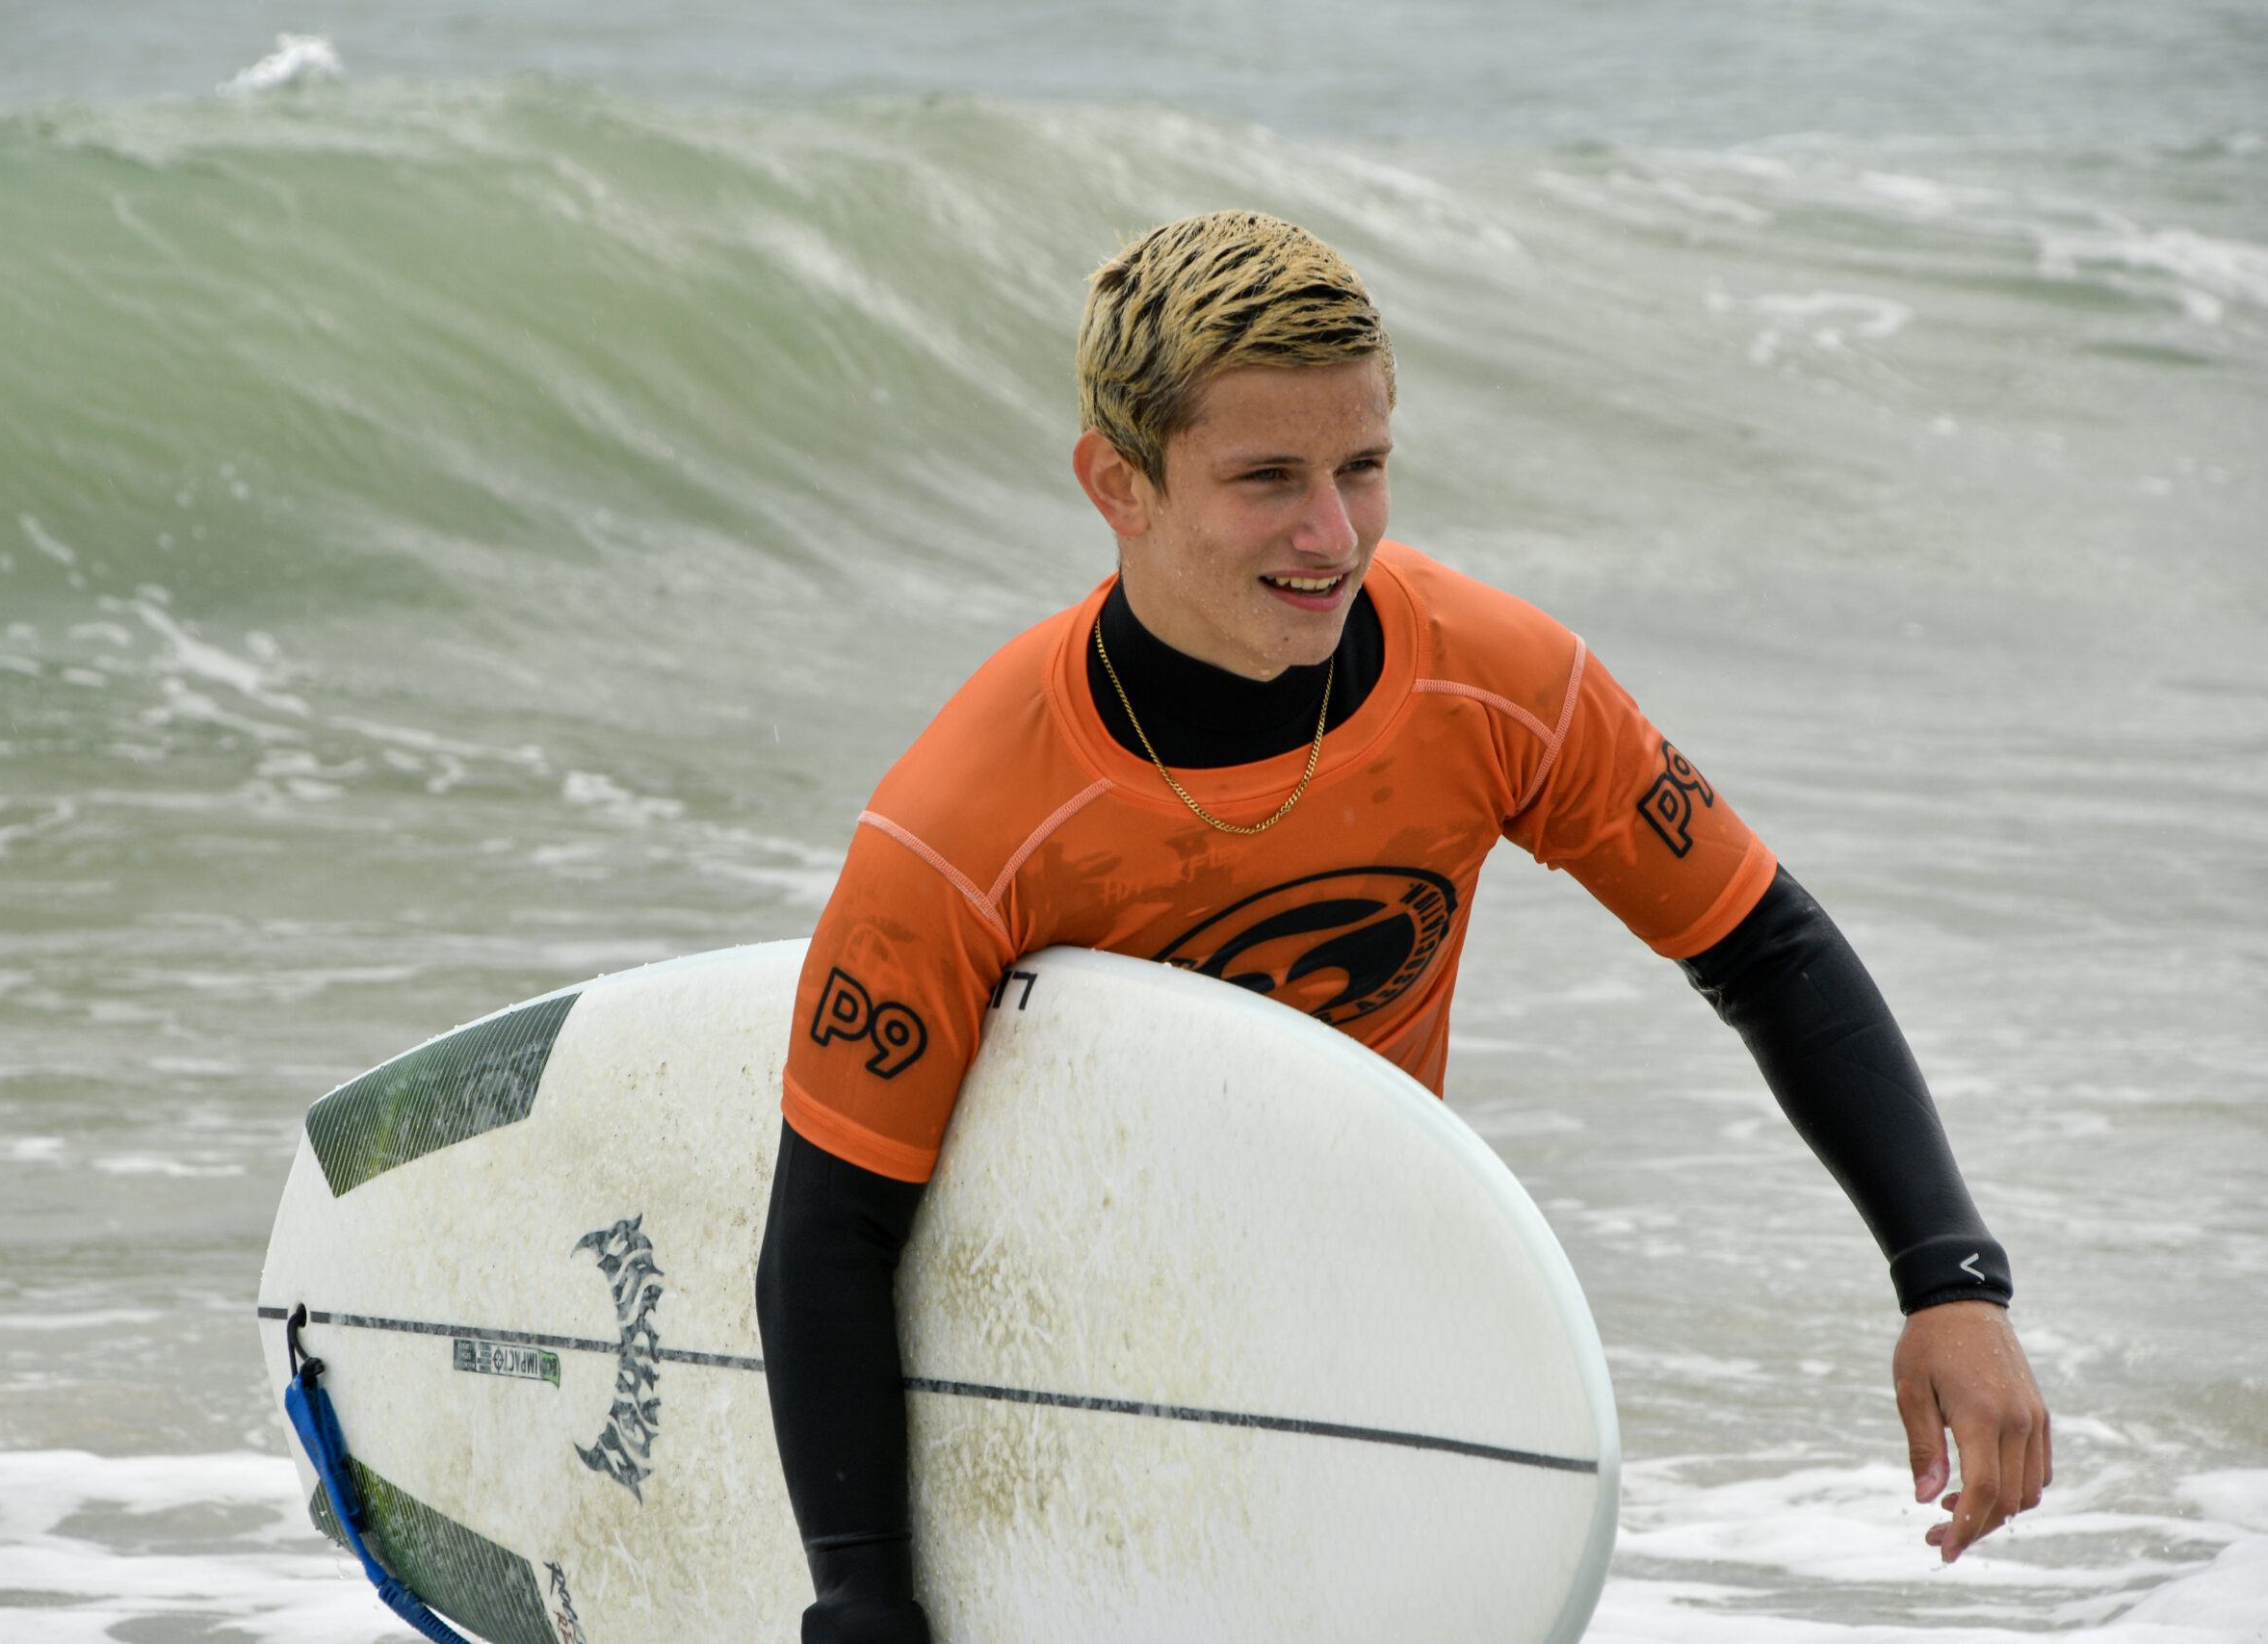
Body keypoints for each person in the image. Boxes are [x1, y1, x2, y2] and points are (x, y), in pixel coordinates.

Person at [753, 210, 2050, 1642]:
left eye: (1362, 467)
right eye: (1267, 479)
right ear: (1118, 484)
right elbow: (832, 1228)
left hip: (1360, 1346)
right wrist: (861, 1594)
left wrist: (1951, 1282)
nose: (1334, 535)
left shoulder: (1491, 682)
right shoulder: (967, 820)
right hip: (1052, 1374)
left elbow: (1765, 948)